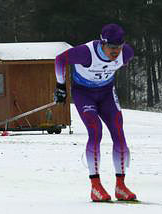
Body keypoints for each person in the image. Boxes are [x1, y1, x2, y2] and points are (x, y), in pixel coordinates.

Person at [53, 24, 137, 201]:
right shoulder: (85, 52)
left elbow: (118, 62)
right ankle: (95, 186)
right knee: (95, 132)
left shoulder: (127, 52)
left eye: (119, 47)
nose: (116, 52)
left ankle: (120, 185)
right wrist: (60, 86)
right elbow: (60, 60)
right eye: (112, 48)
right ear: (102, 43)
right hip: (84, 94)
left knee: (119, 135)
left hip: (106, 93)